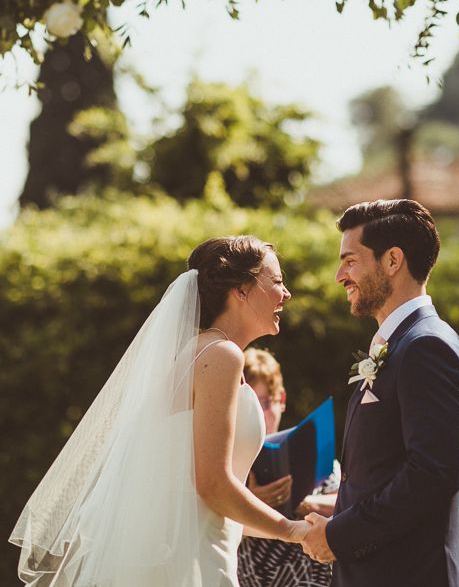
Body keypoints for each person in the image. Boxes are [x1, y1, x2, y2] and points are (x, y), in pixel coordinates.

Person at [10, 235, 311, 586]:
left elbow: (203, 497)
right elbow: (212, 485)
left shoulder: (203, 353)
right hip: (188, 559)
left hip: (197, 545)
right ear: (241, 290)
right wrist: (293, 531)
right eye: (276, 282)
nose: (286, 293)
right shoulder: (220, 356)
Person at [301, 199, 459, 587]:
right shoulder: (400, 343)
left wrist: (339, 536)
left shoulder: (427, 345)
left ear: (393, 260)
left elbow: (431, 475)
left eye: (350, 260)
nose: (339, 275)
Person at [237, 348, 336, 587]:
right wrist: (250, 501)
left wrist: (303, 503)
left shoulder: (308, 448)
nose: (260, 413)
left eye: (266, 402)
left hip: (307, 575)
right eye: (251, 403)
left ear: (281, 399)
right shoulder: (231, 459)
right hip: (250, 575)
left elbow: (347, 502)